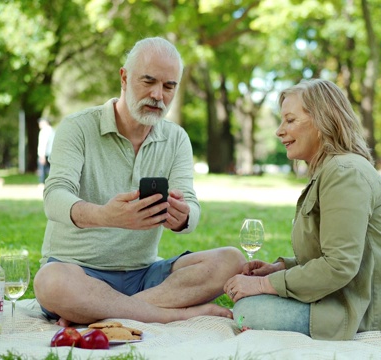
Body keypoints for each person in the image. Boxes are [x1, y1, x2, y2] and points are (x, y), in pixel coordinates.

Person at [33, 37, 246, 327]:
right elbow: (54, 197)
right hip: (78, 272)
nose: (158, 95)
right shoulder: (77, 127)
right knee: (50, 282)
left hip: (145, 276)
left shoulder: (176, 139)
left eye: (169, 86)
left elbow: (192, 209)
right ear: (123, 77)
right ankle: (174, 315)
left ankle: (99, 312)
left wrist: (183, 218)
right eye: (148, 81)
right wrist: (105, 215)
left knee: (232, 260)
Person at [224, 79, 381, 340]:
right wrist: (279, 269)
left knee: (248, 310)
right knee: (248, 307)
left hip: (369, 315)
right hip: (347, 300)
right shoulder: (332, 171)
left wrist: (262, 284)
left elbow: (339, 265)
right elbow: (334, 254)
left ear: (322, 122)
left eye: (290, 120)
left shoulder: (345, 174)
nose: (279, 131)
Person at [37, 117, 54, 187]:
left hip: (45, 154)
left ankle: (42, 183)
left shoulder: (44, 131)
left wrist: (42, 155)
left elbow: (44, 143)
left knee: (42, 170)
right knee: (51, 170)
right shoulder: (52, 130)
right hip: (51, 153)